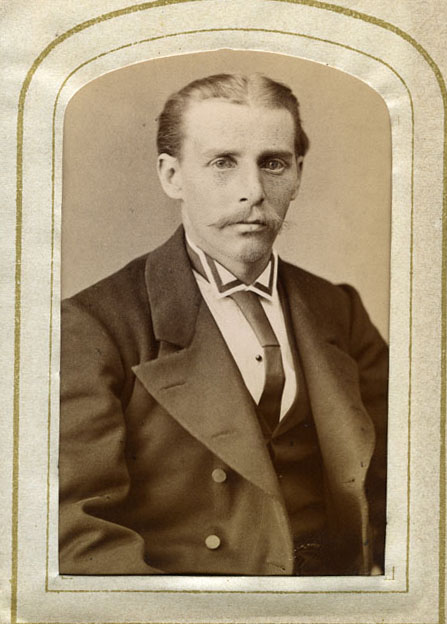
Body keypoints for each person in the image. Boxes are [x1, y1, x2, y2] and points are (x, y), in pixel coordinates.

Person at [59, 73, 388, 576]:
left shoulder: (338, 309)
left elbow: (409, 484)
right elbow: (78, 536)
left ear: (298, 174)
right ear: (172, 176)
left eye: (273, 163)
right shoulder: (96, 326)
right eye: (223, 163)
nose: (252, 192)